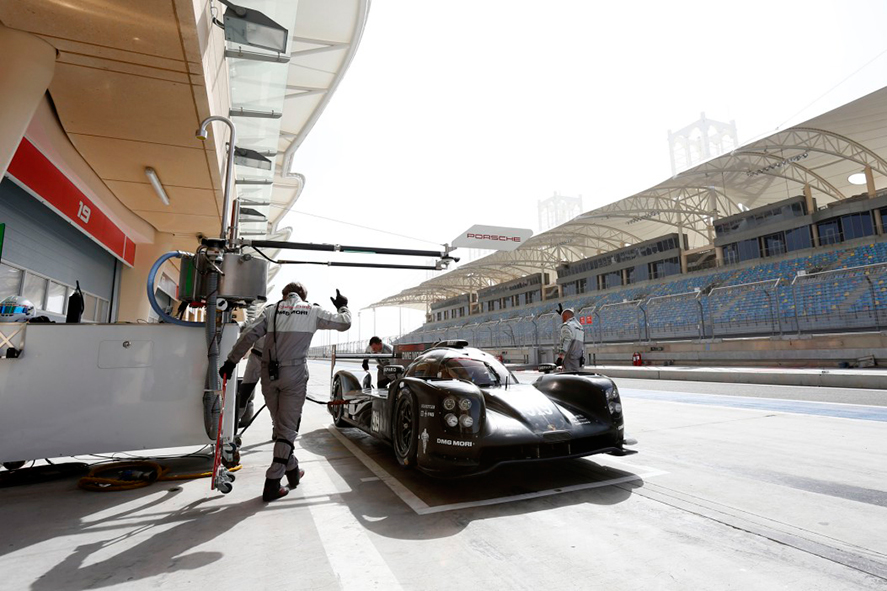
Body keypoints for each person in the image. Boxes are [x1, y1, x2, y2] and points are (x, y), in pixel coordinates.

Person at [220, 282, 351, 501]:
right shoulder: (312, 311)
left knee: (281, 427)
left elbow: (248, 336)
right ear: (303, 295)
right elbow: (344, 323)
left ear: (284, 294)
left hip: (269, 375)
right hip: (294, 375)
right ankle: (272, 482)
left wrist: (231, 362)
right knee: (288, 429)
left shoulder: (271, 311)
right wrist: (343, 306)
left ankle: (293, 472)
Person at [556, 306, 585, 372]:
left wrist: (560, 357)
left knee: (568, 380)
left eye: (562, 318)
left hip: (569, 360)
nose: (562, 320)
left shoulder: (567, 326)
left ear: (565, 317)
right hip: (578, 359)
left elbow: (566, 340)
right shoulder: (580, 327)